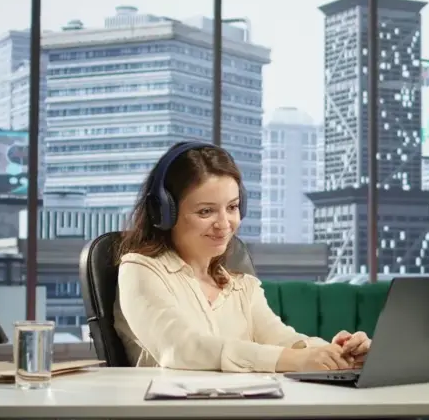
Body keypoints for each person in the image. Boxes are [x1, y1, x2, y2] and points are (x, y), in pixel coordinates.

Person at [113, 142, 372, 372]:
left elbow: (282, 340)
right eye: (205, 211)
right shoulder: (140, 270)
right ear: (163, 212)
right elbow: (182, 348)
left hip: (244, 406)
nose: (224, 224)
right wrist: (295, 360)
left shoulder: (242, 286)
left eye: (232, 207)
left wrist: (334, 353)